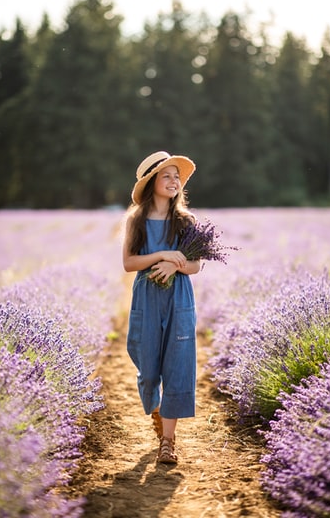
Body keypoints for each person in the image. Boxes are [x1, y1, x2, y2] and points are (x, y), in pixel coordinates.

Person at [122, 150, 200, 464]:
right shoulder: (135, 220)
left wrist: (175, 267)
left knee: (178, 365)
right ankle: (157, 409)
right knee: (148, 366)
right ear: (152, 182)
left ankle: (168, 441)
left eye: (176, 176)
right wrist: (163, 257)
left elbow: (194, 265)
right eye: (166, 175)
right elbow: (129, 263)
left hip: (179, 297)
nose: (173, 181)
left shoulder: (186, 221)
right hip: (147, 297)